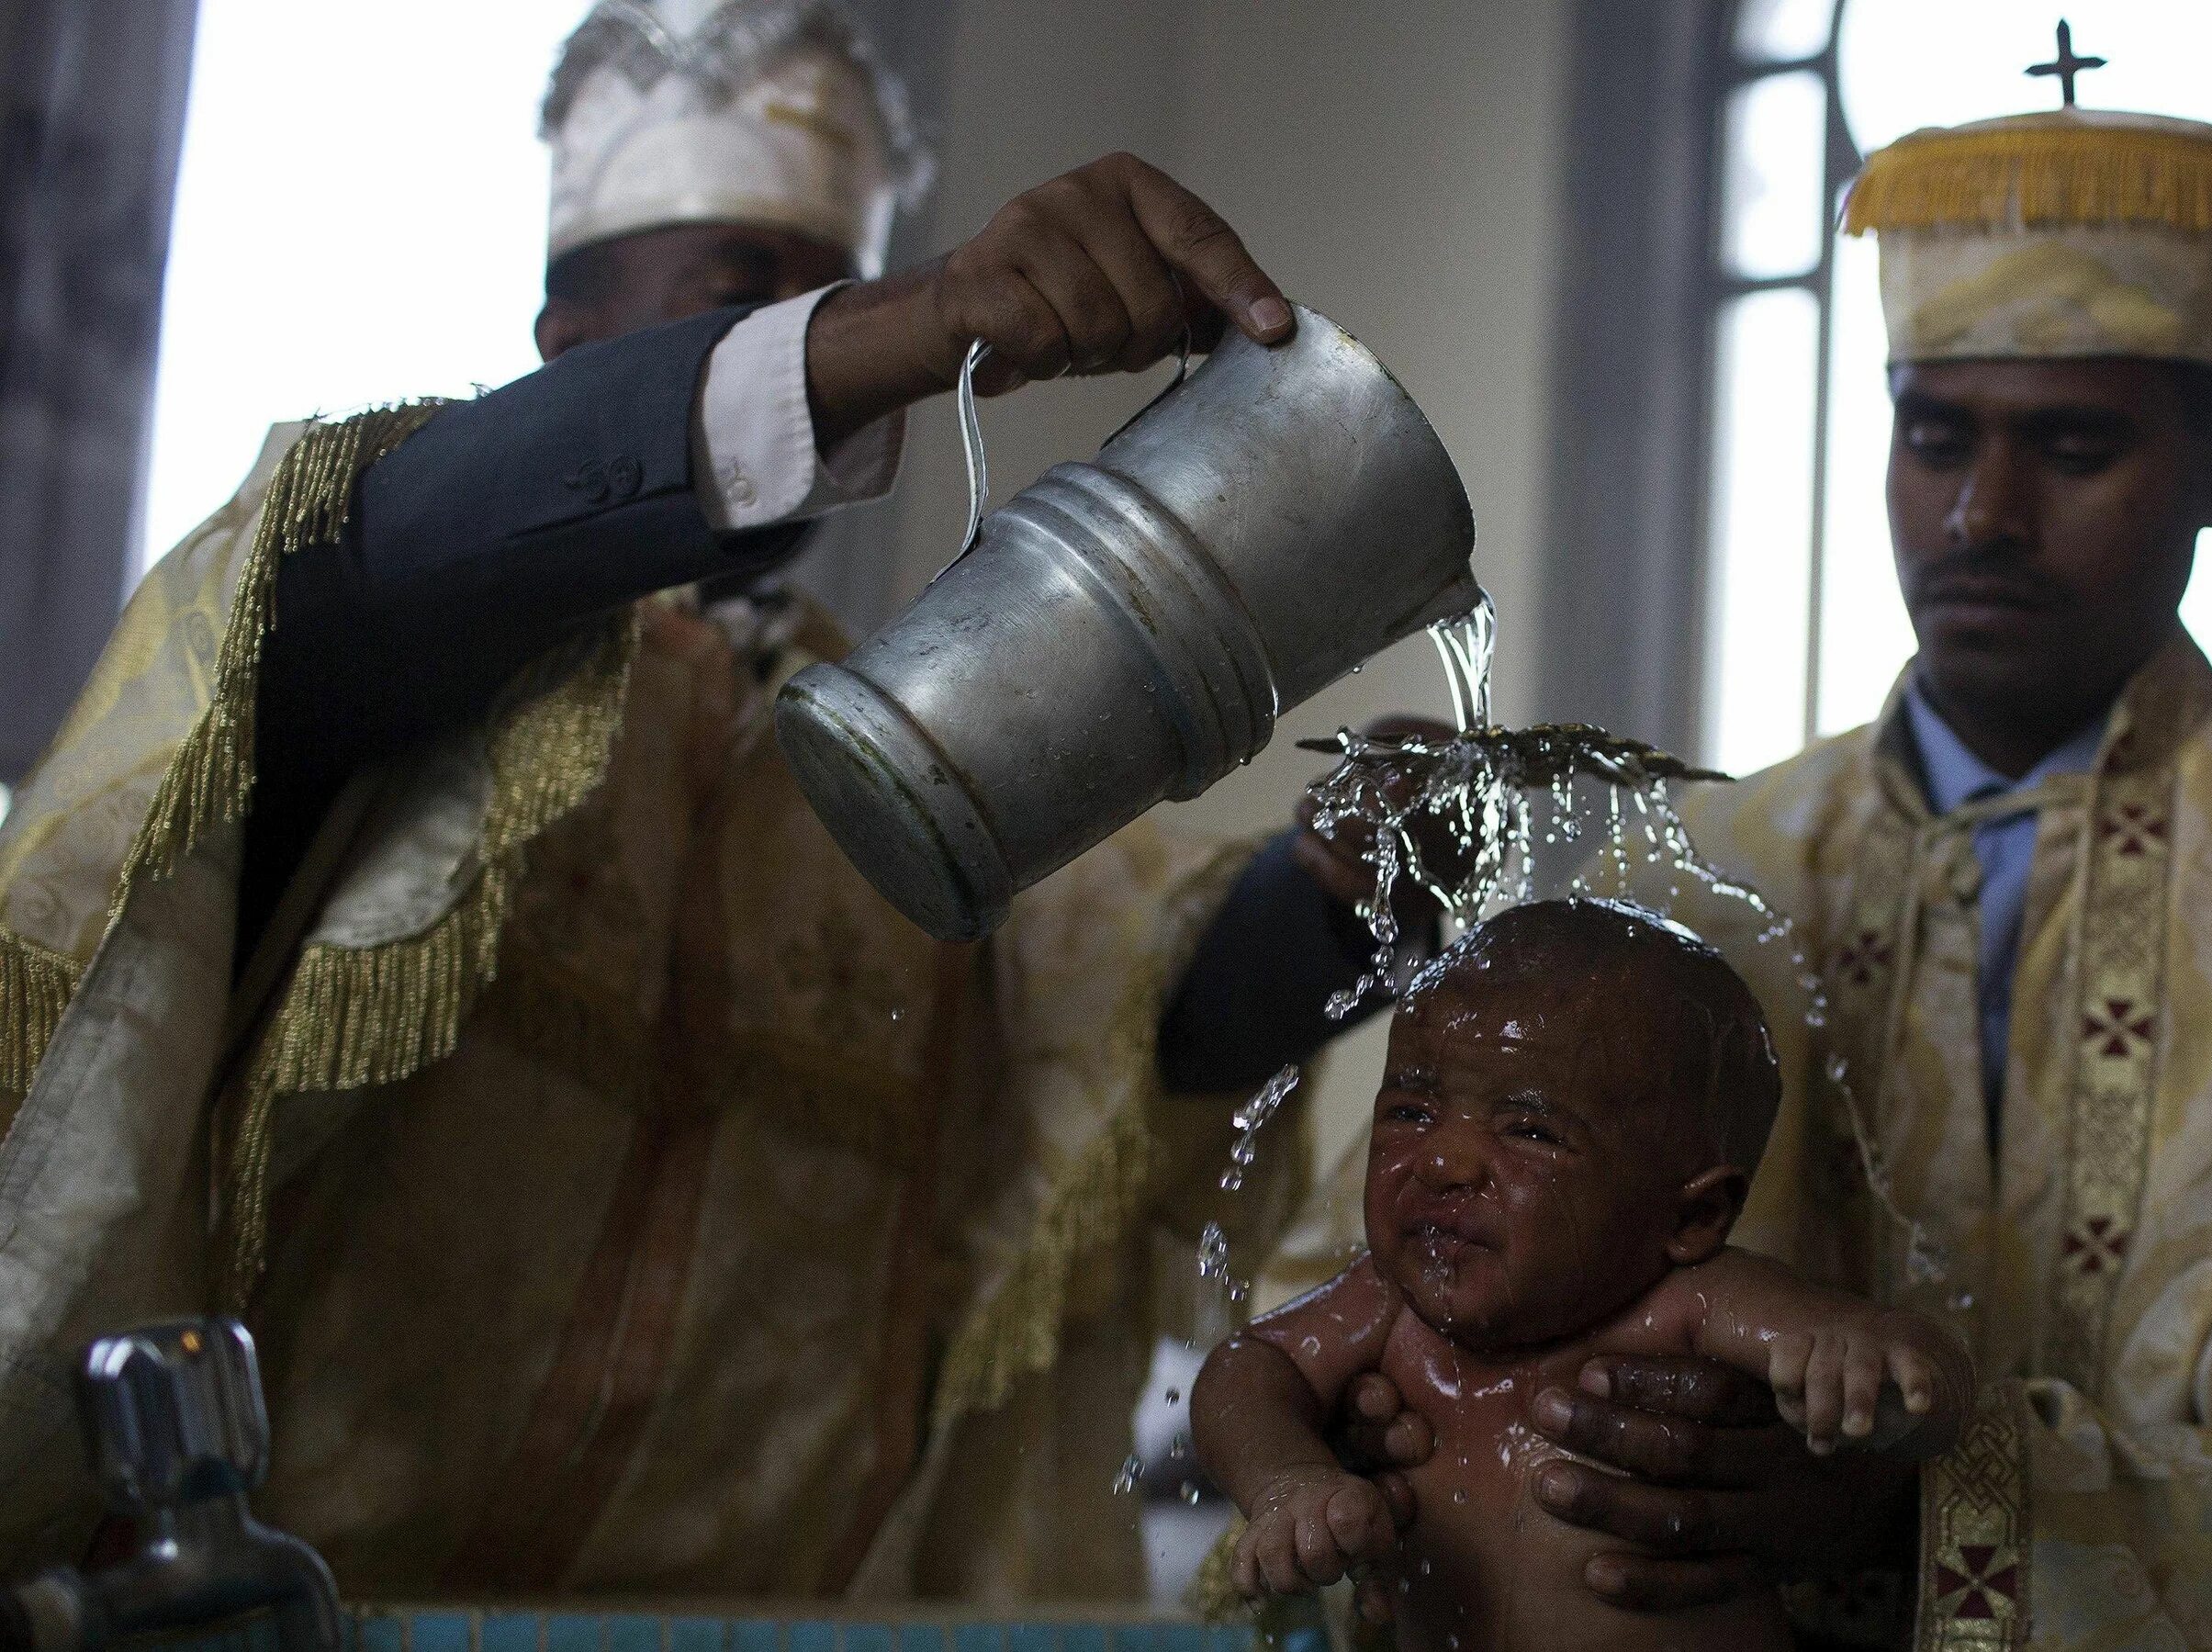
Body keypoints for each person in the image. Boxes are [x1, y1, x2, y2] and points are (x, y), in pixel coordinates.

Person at [0, 0, 1423, 1602]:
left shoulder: (896, 721)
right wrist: (919, 312)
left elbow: (1114, 1023)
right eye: (754, 293)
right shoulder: (411, 627)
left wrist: (1346, 884)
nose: (848, 338)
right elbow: (371, 568)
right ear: (573, 340)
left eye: (850, 281)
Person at [1293, 107, 2212, 1647]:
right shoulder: (1712, 871)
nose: (1982, 515)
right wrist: (1397, 1420)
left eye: (2074, 445)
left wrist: (1923, 1508)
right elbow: (1367, 1296)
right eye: (1936, 436)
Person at [1195, 900, 1971, 1652]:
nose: (1443, 1161)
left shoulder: (1690, 1305)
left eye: (1530, 1130)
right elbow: (1244, 1369)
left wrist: (1865, 1363)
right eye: (1409, 1112)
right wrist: (1288, 1478)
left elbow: (1928, 1381)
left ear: (1691, 1217)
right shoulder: (1389, 1304)